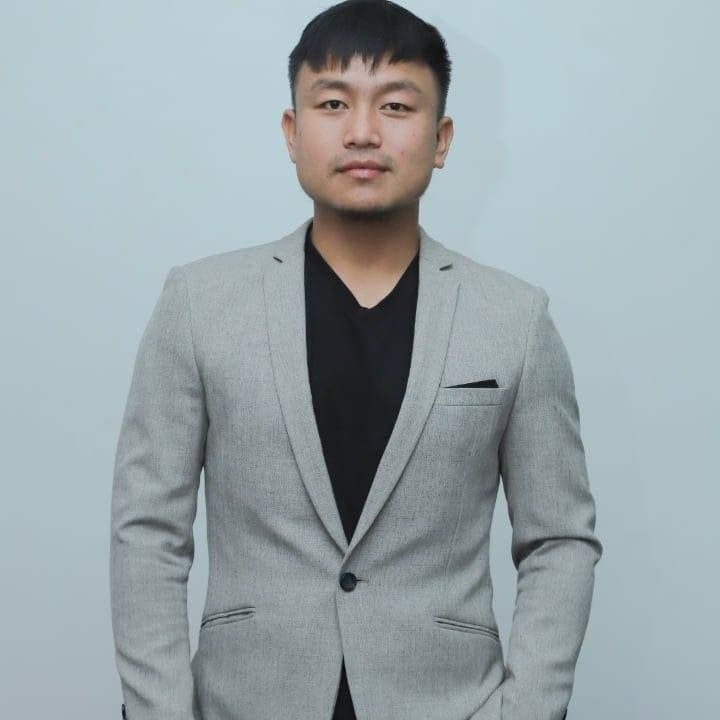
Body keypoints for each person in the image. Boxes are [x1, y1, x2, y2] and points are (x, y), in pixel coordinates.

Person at [109, 1, 602, 719]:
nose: (363, 131)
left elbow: (560, 540)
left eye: (396, 105)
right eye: (333, 102)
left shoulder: (515, 319)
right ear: (292, 131)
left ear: (441, 138)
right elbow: (147, 530)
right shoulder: (199, 303)